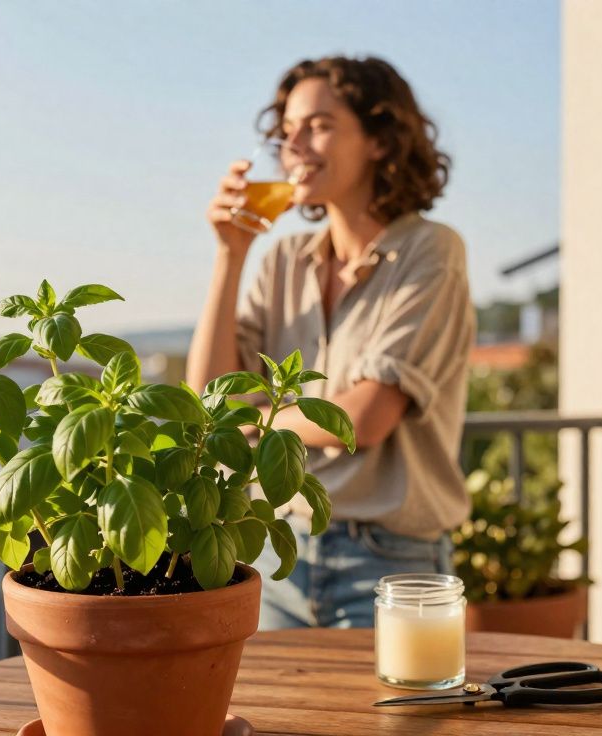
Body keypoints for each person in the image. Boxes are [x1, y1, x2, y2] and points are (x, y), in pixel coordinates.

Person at [187, 56, 475, 629]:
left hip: (387, 563)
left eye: (318, 125)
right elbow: (210, 399)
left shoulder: (431, 251)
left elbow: (362, 421)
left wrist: (255, 420)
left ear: (380, 140)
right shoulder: (282, 260)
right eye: (287, 129)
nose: (293, 144)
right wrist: (230, 255)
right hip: (274, 552)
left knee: (393, 696)